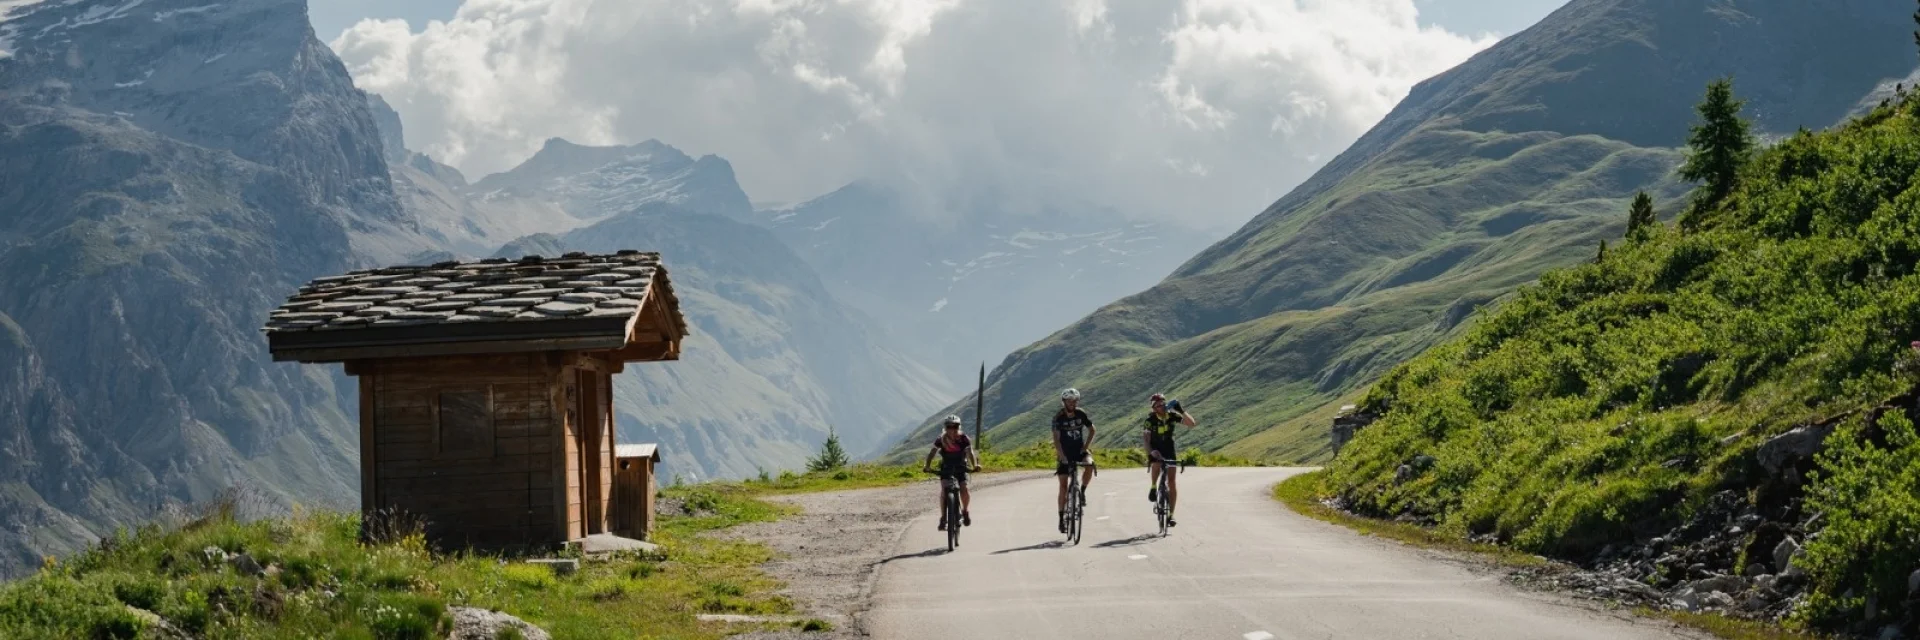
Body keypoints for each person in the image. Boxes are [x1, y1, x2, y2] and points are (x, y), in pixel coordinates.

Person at [1143, 393, 1196, 526]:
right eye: (1158, 405)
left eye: (1163, 403)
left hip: (1169, 449)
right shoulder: (1150, 420)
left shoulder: (1172, 416)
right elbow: (1146, 440)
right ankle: (1154, 486)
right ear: (1154, 408)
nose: (1162, 406)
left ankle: (1171, 515)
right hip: (1155, 449)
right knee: (1155, 464)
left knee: (1172, 482)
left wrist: (1181, 410)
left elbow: (1191, 424)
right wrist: (1150, 452)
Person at [923, 415, 979, 531]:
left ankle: (965, 511)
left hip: (961, 466)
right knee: (944, 490)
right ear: (945, 427)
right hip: (946, 467)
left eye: (955, 426)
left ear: (959, 427)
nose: (952, 429)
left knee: (964, 488)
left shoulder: (963, 438)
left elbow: (970, 453)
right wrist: (927, 466)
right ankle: (943, 517)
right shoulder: (941, 439)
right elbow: (932, 453)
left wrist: (975, 466)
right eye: (949, 426)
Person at [1052, 388, 1095, 534]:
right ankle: (1061, 518)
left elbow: (1092, 430)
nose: (1073, 403)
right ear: (1064, 401)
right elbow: (1056, 439)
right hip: (1064, 453)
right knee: (1063, 486)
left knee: (1090, 464)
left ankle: (1082, 491)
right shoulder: (1058, 417)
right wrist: (1062, 456)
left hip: (1079, 451)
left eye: (1075, 400)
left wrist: (1086, 447)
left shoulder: (1081, 413)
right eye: (1070, 401)